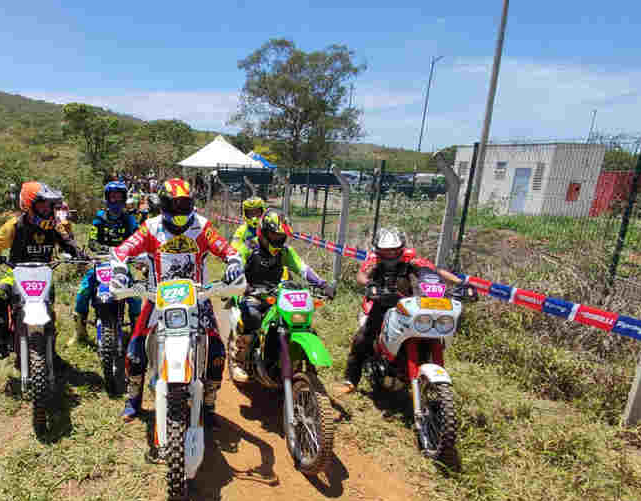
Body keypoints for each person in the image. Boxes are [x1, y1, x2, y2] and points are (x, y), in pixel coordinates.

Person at [110, 177, 244, 427]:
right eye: (175, 205)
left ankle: (210, 401)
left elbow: (227, 250)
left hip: (198, 297)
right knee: (135, 351)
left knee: (217, 351)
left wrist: (234, 264)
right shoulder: (150, 227)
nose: (180, 210)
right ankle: (133, 400)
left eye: (185, 204)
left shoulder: (202, 226)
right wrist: (119, 269)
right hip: (158, 296)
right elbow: (122, 250)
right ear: (163, 205)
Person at [341, 226, 463, 394]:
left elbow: (433, 270)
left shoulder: (410, 259)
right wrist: (369, 284)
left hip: (406, 304)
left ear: (401, 248)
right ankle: (351, 379)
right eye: (385, 251)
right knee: (363, 338)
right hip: (380, 302)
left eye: (394, 251)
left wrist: (460, 283)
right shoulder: (373, 260)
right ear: (378, 250)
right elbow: (362, 275)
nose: (390, 254)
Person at [0, 181, 85, 359]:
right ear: (29, 204)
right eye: (42, 203)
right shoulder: (15, 225)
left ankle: (50, 350)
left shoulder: (54, 226)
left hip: (44, 274)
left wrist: (78, 252)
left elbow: (67, 242)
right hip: (16, 273)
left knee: (49, 312)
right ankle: (1, 342)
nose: (47, 208)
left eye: (49, 204)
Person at [230, 210, 334, 383]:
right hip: (251, 292)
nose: (277, 239)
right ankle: (238, 361)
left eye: (281, 236)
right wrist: (237, 278)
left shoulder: (285, 252)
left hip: (276, 293)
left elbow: (303, 268)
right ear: (262, 232)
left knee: (299, 322)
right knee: (253, 317)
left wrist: (323, 284)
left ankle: (303, 364)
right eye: (273, 234)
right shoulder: (249, 247)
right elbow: (237, 262)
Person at [70, 181, 141, 345]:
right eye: (112, 197)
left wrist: (135, 253)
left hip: (121, 265)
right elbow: (92, 241)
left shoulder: (129, 219)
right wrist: (106, 249)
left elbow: (138, 238)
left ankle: (137, 333)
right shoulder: (100, 218)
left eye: (118, 197)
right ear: (107, 198)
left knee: (135, 297)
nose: (115, 201)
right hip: (101, 262)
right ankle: (80, 333)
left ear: (124, 199)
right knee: (83, 291)